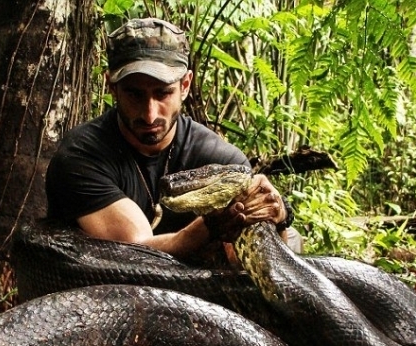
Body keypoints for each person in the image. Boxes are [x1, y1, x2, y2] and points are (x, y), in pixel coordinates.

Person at [45, 17, 303, 263]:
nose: (150, 114)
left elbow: (250, 260)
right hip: (94, 293)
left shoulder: (221, 161)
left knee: (293, 239)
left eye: (163, 93)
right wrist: (209, 227)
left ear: (186, 85)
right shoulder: (80, 156)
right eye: (135, 94)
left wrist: (277, 217)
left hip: (190, 297)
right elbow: (132, 253)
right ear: (111, 86)